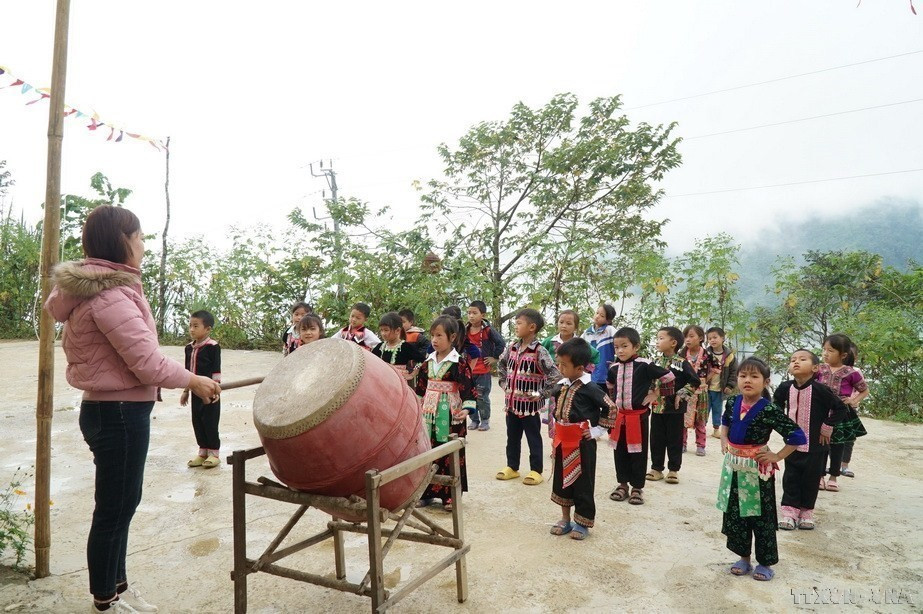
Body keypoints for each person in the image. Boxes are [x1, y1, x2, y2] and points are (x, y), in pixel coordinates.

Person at [45, 205, 221, 613]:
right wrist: (193, 380)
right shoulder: (109, 295)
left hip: (113, 411)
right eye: (139, 236)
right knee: (115, 508)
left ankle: (116, 587)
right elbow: (146, 362)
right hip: (119, 413)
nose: (143, 244)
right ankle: (105, 598)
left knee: (123, 502)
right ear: (122, 241)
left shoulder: (100, 290)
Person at [717, 357, 806, 582]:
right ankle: (744, 558)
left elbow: (797, 436)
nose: (748, 380)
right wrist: (724, 439)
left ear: (765, 381)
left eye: (754, 376)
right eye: (743, 375)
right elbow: (725, 420)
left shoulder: (769, 410)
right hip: (733, 469)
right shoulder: (732, 402)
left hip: (757, 472)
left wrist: (777, 455)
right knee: (736, 515)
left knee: (760, 516)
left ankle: (765, 562)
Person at [772, 349, 848, 530]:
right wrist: (782, 425)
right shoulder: (785, 387)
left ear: (815, 367)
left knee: (811, 479)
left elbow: (840, 409)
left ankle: (806, 512)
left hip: (817, 445)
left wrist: (827, 427)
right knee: (791, 477)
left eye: (802, 359)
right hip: (792, 445)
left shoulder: (821, 390)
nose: (796, 362)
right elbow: (775, 406)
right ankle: (789, 512)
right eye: (792, 360)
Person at [547, 338, 614, 540]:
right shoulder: (561, 385)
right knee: (562, 480)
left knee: (583, 481)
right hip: (561, 441)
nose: (560, 368)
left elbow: (611, 408)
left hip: (582, 443)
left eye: (564, 365)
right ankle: (565, 519)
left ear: (579, 367)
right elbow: (551, 400)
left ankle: (582, 522)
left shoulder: (591, 388)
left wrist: (596, 431)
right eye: (559, 363)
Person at [603, 327, 674, 506]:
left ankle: (637, 488)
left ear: (636, 347)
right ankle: (622, 485)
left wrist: (656, 394)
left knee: (638, 453)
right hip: (620, 418)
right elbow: (610, 387)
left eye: (624, 346)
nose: (620, 350)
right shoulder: (613, 368)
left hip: (638, 417)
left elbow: (669, 377)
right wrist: (612, 410)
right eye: (616, 347)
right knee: (619, 452)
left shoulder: (644, 365)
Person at [415, 315, 476, 511]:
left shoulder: (458, 362)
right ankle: (426, 492)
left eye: (439, 335)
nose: (434, 339)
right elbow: (421, 388)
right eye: (432, 335)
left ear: (452, 337)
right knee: (427, 450)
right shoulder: (428, 361)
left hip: (450, 413)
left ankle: (450, 495)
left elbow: (468, 388)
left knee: (450, 451)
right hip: (428, 413)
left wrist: (466, 409)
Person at [496, 308, 561, 486]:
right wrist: (504, 384)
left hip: (530, 408)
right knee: (512, 437)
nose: (515, 326)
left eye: (519, 323)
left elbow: (555, 375)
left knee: (533, 438)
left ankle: (536, 470)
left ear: (532, 327)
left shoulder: (539, 351)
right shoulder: (512, 348)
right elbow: (501, 365)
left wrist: (542, 393)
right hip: (511, 405)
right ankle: (512, 467)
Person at [647, 327, 700, 485]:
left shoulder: (682, 363)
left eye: (661, 338)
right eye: (657, 338)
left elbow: (694, 381)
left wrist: (681, 394)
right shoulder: (655, 363)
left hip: (675, 410)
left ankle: (673, 470)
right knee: (656, 439)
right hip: (657, 408)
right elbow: (649, 382)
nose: (657, 341)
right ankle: (656, 468)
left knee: (674, 439)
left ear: (673, 343)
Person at [816, 334, 869, 490]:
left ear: (843, 355)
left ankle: (833, 477)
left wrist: (853, 401)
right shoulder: (819, 369)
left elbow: (864, 390)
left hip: (840, 414)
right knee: (820, 444)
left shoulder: (851, 372)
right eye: (824, 350)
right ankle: (819, 476)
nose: (825, 353)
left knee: (838, 445)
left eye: (830, 350)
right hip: (821, 413)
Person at [541, 310, 600, 441]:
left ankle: (573, 440)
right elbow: (539, 356)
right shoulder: (549, 342)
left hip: (574, 386)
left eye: (569, 323)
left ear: (575, 326)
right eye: (561, 322)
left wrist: (583, 372)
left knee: (571, 412)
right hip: (554, 386)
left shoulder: (580, 344)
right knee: (554, 412)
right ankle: (556, 443)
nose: (564, 326)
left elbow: (595, 357)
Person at [181, 310, 223, 469]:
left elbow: (216, 370)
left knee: (210, 421)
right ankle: (202, 451)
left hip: (210, 391)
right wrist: (186, 391)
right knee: (197, 421)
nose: (191, 329)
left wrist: (216, 389)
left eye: (196, 326)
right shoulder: (188, 348)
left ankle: (214, 453)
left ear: (208, 329)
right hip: (194, 392)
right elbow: (186, 371)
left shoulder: (213, 346)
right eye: (190, 325)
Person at [465, 300, 506, 431]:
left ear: (482, 315)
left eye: (474, 313)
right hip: (468, 370)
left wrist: (494, 357)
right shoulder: (465, 330)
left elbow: (501, 343)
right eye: (469, 313)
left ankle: (485, 420)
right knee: (469, 396)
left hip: (483, 370)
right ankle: (474, 420)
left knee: (482, 396)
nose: (471, 316)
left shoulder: (488, 330)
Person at [678, 325, 712, 456]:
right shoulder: (681, 354)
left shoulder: (707, 354)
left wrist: (705, 380)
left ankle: (701, 445)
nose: (688, 339)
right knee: (683, 418)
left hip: (701, 391)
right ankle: (682, 443)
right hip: (686, 389)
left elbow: (716, 367)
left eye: (691, 336)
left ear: (701, 338)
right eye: (686, 336)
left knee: (700, 419)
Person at [373, 311, 426, 385]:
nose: (383, 333)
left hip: (399, 384)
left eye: (386, 330)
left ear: (397, 330)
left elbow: (422, 360)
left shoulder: (405, 347)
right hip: (383, 383)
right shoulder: (379, 347)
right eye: (381, 330)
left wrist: (412, 374)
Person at [705, 326, 738, 439]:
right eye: (709, 338)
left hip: (719, 388)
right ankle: (701, 428)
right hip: (705, 387)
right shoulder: (705, 354)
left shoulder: (729, 356)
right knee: (704, 408)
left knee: (718, 409)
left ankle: (716, 429)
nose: (712, 340)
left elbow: (734, 372)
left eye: (715, 337)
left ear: (723, 338)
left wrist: (730, 385)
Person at [582, 304, 617, 391]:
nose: (597, 316)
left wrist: (617, 363)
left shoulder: (610, 330)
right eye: (597, 313)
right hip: (588, 373)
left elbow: (621, 343)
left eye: (602, 315)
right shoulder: (587, 333)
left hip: (604, 371)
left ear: (608, 320)